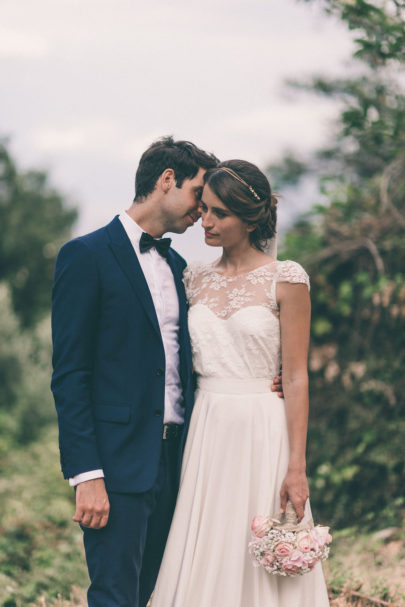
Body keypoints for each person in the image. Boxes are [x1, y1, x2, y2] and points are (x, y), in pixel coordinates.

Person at [51, 138, 283, 607]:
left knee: (166, 594)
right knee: (116, 595)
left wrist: (266, 379)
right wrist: (86, 474)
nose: (204, 210)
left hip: (189, 462)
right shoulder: (85, 256)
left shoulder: (183, 269)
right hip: (117, 466)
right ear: (167, 180)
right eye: (200, 193)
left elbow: (213, 346)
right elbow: (70, 374)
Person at [151, 160, 330, 606]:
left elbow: (295, 376)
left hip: (263, 428)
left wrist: (297, 466)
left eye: (219, 214)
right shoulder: (192, 278)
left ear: (251, 220)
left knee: (259, 545)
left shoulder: (286, 279)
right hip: (206, 429)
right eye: (204, 209)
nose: (205, 222)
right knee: (209, 543)